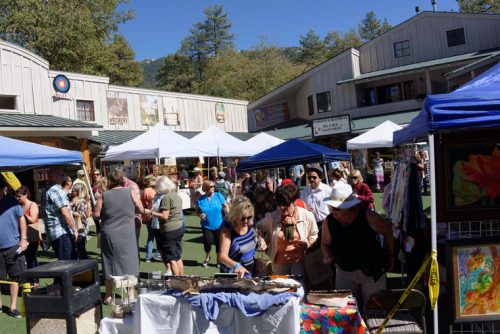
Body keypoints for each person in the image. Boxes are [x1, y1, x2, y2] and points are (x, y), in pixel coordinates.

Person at [321, 182, 394, 309]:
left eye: (336, 208)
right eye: (331, 207)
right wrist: (326, 254)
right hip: (344, 272)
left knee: (374, 309)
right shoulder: (329, 221)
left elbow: (388, 232)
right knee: (344, 311)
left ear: (348, 207)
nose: (333, 212)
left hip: (372, 272)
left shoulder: (368, 216)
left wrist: (391, 255)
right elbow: (325, 243)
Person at [93, 168, 145, 304]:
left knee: (109, 261)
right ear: (123, 180)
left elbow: (96, 214)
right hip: (127, 232)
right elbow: (141, 209)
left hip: (109, 232)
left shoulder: (103, 195)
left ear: (109, 180)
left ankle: (109, 296)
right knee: (130, 262)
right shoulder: (131, 192)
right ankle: (131, 294)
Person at [257, 185, 318, 276]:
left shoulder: (307, 215)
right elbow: (257, 227)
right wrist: (261, 239)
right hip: (278, 264)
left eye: (285, 204)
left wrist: (308, 244)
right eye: (279, 204)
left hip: (300, 263)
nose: (281, 207)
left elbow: (314, 234)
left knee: (298, 287)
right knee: (281, 289)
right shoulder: (273, 217)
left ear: (293, 202)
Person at [0, 181, 28, 319]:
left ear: (3, 190)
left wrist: (23, 238)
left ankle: (12, 307)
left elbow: (21, 218)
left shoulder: (12, 201)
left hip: (12, 246)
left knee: (15, 278)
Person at [147, 176, 184, 276]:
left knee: (171, 258)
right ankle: (182, 278)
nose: (157, 190)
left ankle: (177, 281)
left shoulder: (166, 198)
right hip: (179, 227)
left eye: (158, 187)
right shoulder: (176, 195)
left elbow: (164, 216)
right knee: (177, 256)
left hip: (170, 230)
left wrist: (151, 212)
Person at [41, 167, 79, 260]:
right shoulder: (56, 190)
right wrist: (74, 229)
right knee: (68, 264)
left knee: (65, 263)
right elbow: (64, 212)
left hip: (54, 233)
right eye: (62, 175)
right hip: (61, 232)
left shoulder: (46, 189)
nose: (63, 177)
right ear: (54, 176)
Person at [219, 197, 257, 278]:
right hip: (233, 277)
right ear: (235, 216)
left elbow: (255, 237)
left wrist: (260, 240)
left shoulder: (250, 225)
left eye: (249, 217)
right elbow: (222, 257)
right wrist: (236, 265)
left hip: (250, 274)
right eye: (242, 218)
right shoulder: (227, 230)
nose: (246, 221)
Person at [196, 180, 229, 267]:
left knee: (218, 243)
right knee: (207, 242)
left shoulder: (219, 196)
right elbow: (197, 212)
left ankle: (218, 259)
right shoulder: (200, 200)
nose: (214, 188)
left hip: (219, 225)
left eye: (214, 186)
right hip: (206, 225)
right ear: (206, 188)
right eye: (211, 186)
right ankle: (208, 256)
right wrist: (200, 215)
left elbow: (225, 206)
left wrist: (229, 216)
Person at [15, 186, 39, 277]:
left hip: (32, 235)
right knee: (23, 259)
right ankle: (28, 280)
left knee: (32, 258)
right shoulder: (19, 206)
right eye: (16, 196)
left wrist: (22, 213)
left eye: (19, 196)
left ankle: (35, 281)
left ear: (25, 195)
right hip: (22, 236)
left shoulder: (33, 204)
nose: (17, 199)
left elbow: (32, 220)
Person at [70, 183, 91, 259]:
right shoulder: (70, 199)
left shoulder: (82, 201)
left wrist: (72, 212)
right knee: (76, 248)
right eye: (72, 189)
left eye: (75, 190)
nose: (72, 191)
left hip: (80, 226)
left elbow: (81, 215)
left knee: (80, 248)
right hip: (73, 225)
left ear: (79, 191)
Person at [141, 175, 159, 262]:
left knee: (151, 236)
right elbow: (155, 203)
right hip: (152, 216)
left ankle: (148, 256)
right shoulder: (150, 191)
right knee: (157, 235)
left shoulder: (145, 190)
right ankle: (158, 254)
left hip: (148, 216)